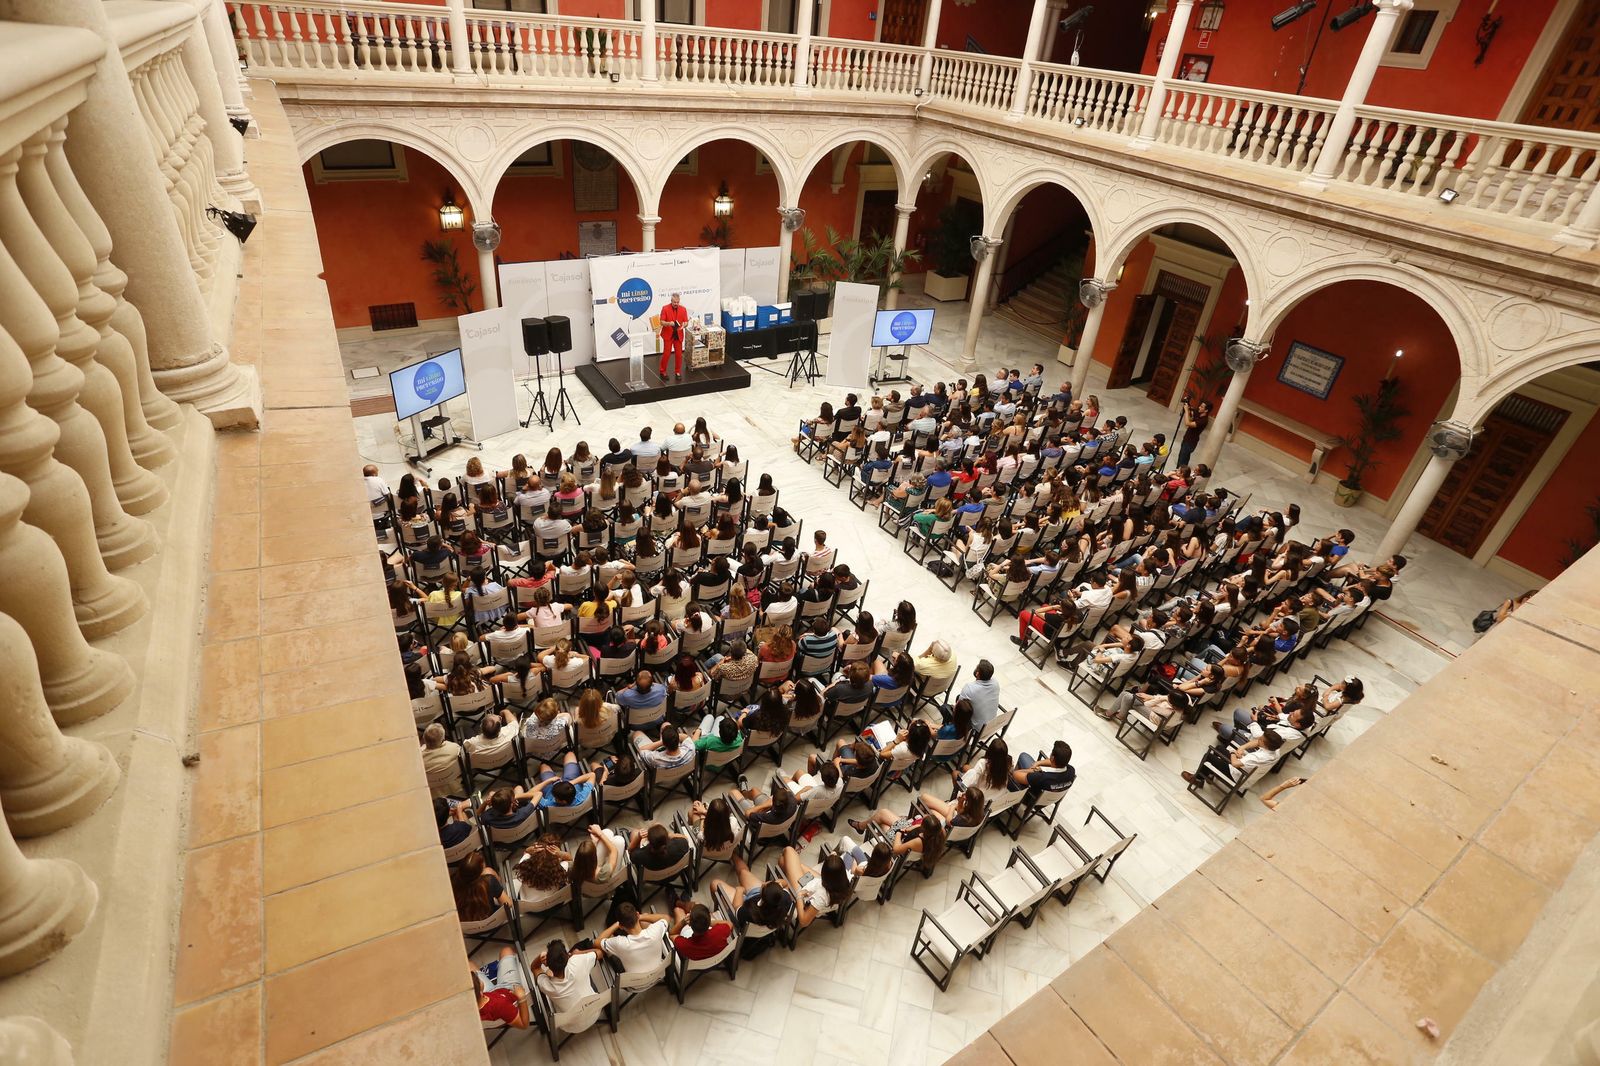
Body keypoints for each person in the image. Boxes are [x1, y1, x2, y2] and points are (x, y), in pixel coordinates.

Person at [532, 939, 605, 1012]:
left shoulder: (548, 986)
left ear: (548, 964)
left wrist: (540, 957)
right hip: (596, 1010)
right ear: (567, 957)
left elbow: (535, 968)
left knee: (548, 973)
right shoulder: (577, 961)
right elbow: (600, 952)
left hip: (573, 1019)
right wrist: (578, 953)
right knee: (584, 968)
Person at [473, 946, 532, 1029]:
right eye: (478, 979)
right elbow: (524, 1025)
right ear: (480, 991)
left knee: (469, 964)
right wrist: (522, 999)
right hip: (507, 990)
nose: (478, 978)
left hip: (488, 994)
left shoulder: (469, 1008)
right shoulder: (501, 1005)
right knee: (506, 950)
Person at [670, 901, 734, 962]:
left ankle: (677, 902)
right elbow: (730, 924)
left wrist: (683, 922)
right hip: (715, 960)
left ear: (689, 924)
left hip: (689, 934)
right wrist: (707, 921)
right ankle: (679, 902)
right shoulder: (720, 932)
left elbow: (672, 934)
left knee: (677, 910)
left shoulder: (686, 945)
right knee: (698, 907)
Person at [1011, 740, 1076, 792]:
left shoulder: (1042, 777)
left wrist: (1034, 770)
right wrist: (1038, 763)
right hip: (1048, 798)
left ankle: (1014, 788)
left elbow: (1015, 774)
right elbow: (1055, 762)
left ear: (1052, 758)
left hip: (1032, 796)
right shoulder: (1071, 771)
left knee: (1023, 756)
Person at [421, 722, 464, 798]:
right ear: (443, 739)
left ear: (424, 739)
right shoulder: (454, 748)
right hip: (451, 778)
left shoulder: (419, 759)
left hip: (431, 785)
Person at [954, 659, 1000, 727]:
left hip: (977, 728)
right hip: (991, 726)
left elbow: (957, 709)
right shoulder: (995, 683)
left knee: (945, 708)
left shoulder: (969, 688)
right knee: (960, 697)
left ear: (977, 673)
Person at [658, 292, 690, 378]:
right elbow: (661, 322)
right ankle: (662, 371)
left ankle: (677, 371)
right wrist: (669, 323)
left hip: (678, 335)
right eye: (674, 302)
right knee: (666, 354)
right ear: (671, 301)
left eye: (677, 302)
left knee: (679, 355)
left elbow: (686, 322)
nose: (676, 304)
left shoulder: (683, 309)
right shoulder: (665, 308)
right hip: (668, 334)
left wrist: (685, 324)